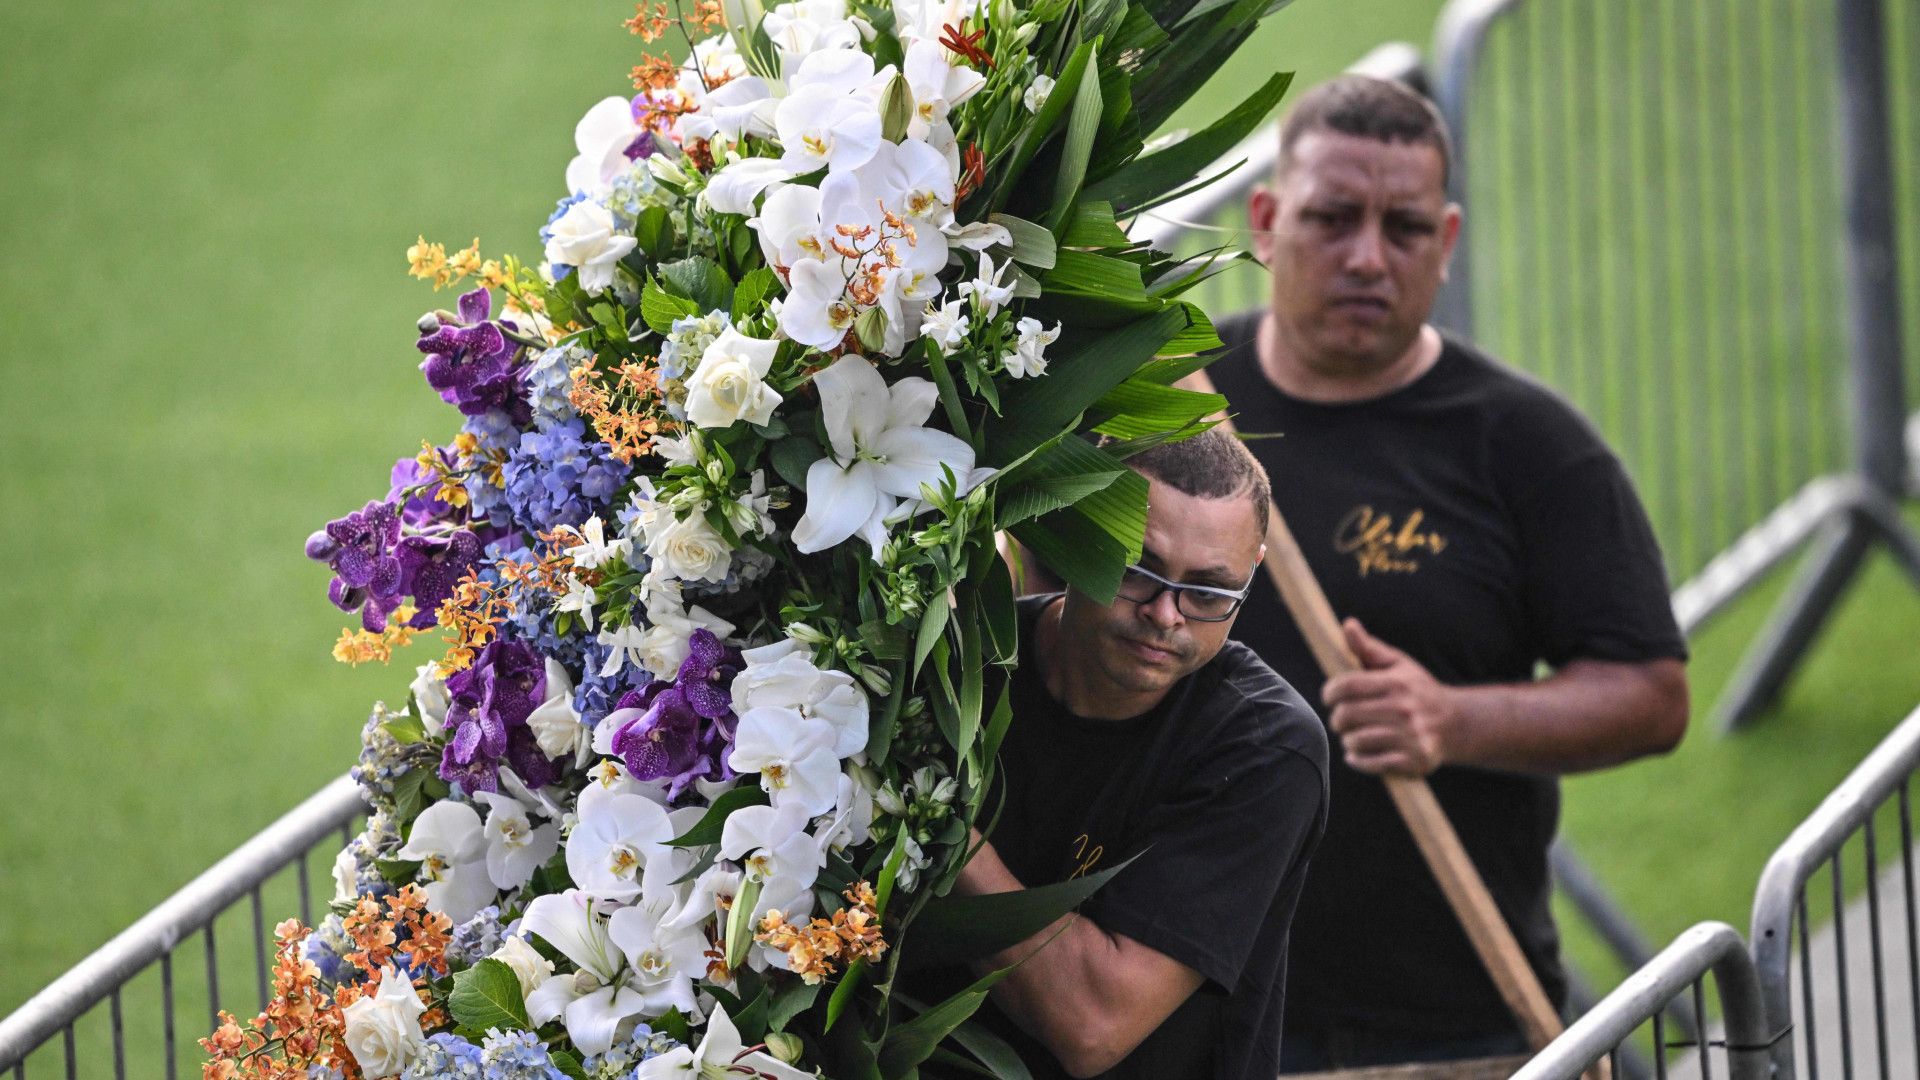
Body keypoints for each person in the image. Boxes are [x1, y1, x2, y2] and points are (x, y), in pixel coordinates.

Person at [1200, 74, 1691, 1068]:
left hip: (1458, 1029)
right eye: (1333, 219)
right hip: (1201, 1020)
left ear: (1449, 240)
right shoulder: (1179, 401)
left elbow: (1651, 693)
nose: (1368, 257)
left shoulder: (1527, 446)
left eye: (1406, 227)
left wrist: (1455, 720)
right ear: (1264, 220)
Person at [935, 428, 1329, 1080]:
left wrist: (931, 821)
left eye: (1208, 591)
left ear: (1253, 568)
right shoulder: (963, 672)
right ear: (1074, 535)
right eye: (1137, 570)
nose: (1166, 614)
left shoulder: (1265, 746)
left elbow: (1092, 1026)